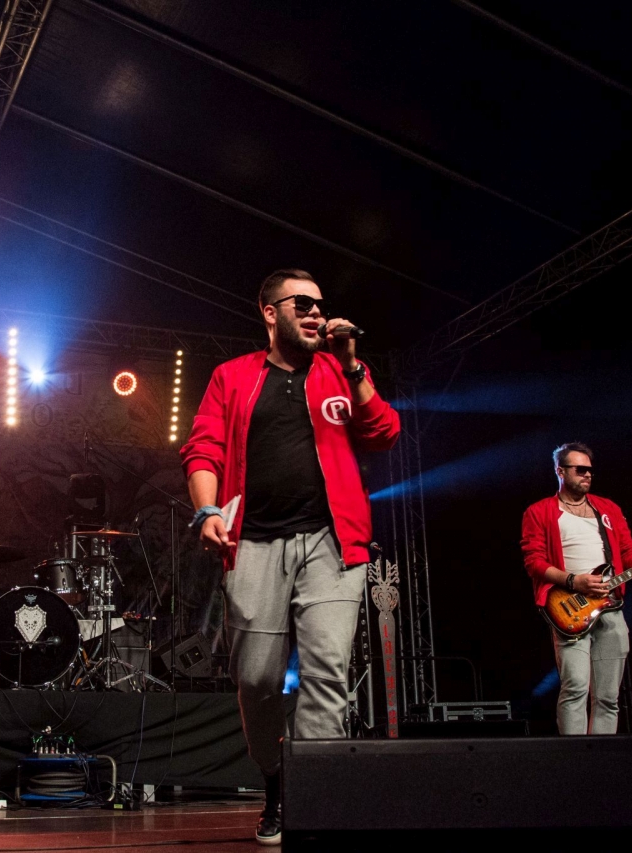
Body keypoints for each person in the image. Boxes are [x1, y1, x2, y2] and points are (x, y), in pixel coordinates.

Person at [181, 269, 400, 845]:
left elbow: (383, 433)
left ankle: (312, 799)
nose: (315, 313)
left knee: (327, 673)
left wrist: (354, 367)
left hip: (332, 544)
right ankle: (277, 777)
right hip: (253, 542)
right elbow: (203, 448)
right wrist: (208, 513)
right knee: (256, 678)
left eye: (320, 305)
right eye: (300, 303)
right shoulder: (233, 375)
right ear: (269, 312)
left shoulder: (339, 371)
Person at [520, 442, 632, 735]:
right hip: (568, 609)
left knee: (608, 697)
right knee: (575, 688)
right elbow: (534, 561)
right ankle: (576, 758)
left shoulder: (607, 509)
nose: (587, 474)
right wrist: (574, 580)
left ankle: (602, 757)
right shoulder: (539, 511)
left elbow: (630, 555)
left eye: (590, 470)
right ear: (560, 471)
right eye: (580, 469)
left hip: (611, 608)